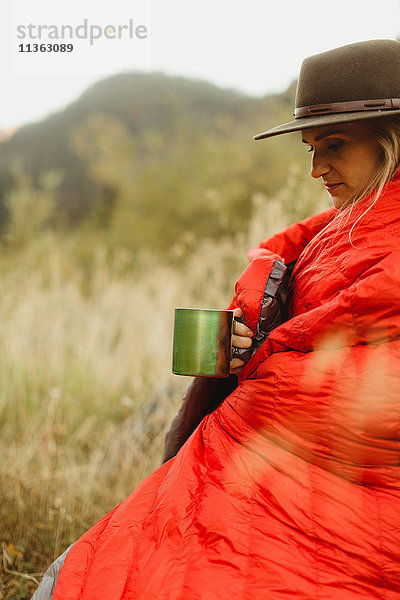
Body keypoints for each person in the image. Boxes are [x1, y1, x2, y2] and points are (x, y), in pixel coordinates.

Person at [34, 39, 400, 599]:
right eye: (309, 149)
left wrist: (267, 367)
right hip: (241, 463)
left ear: (392, 143)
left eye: (332, 146)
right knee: (103, 566)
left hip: (334, 501)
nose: (315, 169)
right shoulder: (338, 230)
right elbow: (316, 332)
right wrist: (252, 346)